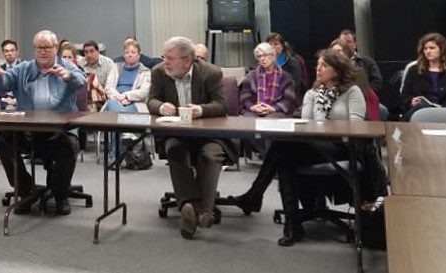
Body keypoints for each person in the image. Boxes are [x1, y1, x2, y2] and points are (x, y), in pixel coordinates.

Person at [0, 30, 87, 215]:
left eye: (47, 47)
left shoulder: (66, 65)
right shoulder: (25, 68)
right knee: (3, 142)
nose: (43, 52)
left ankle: (60, 195)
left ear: (55, 48)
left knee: (69, 146)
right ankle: (26, 190)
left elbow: (81, 81)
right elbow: (4, 83)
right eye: (39, 48)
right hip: (29, 130)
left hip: (59, 131)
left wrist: (67, 77)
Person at [274, 49, 366, 246]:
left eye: (324, 65)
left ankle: (290, 224)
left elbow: (357, 126)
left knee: (282, 151)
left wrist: (327, 128)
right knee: (283, 150)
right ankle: (292, 223)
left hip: (342, 146)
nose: (318, 69)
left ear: (337, 69)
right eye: (317, 65)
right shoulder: (312, 93)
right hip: (314, 145)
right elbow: (306, 125)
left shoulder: (352, 91)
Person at [147, 36, 236, 239]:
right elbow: (151, 100)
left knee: (211, 155)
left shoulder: (211, 73)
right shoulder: (159, 72)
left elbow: (222, 106)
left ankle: (199, 210)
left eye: (170, 58)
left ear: (187, 60)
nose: (165, 62)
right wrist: (160, 106)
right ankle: (198, 209)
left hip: (208, 135)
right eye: (164, 57)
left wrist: (201, 110)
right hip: (176, 133)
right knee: (174, 150)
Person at [222, 43, 299, 216]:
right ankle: (269, 160)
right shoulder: (252, 76)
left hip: (277, 111)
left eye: (266, 55)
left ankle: (268, 165)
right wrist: (254, 107)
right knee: (248, 125)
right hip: (255, 111)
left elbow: (290, 99)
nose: (263, 59)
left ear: (273, 56)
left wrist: (272, 108)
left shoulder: (285, 77)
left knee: (272, 124)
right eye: (259, 57)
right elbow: (245, 96)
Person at [102, 39, 152, 164]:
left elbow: (144, 92)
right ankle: (127, 133)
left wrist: (126, 96)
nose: (129, 54)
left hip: (135, 103)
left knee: (117, 120)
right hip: (115, 100)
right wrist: (119, 97)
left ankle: (115, 158)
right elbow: (108, 87)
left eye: (133, 52)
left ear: (139, 55)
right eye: (127, 52)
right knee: (116, 111)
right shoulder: (116, 67)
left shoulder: (145, 72)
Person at [402, 32, 446, 121]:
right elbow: (404, 95)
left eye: (432, 48)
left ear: (442, 50)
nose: (428, 51)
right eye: (425, 48)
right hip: (420, 112)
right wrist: (411, 101)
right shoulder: (414, 71)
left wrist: (439, 108)